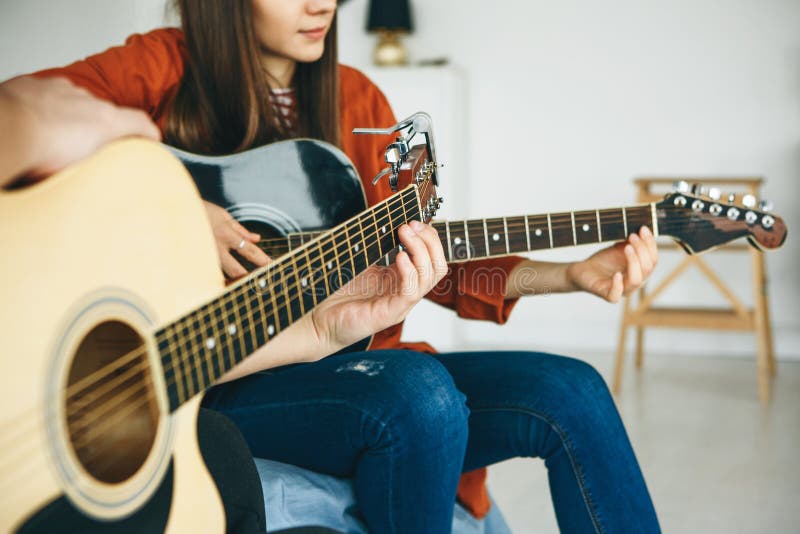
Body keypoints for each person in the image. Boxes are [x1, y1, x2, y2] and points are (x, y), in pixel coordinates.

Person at [32, 0, 662, 531]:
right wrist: (177, 203)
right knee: (418, 394)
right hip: (212, 374)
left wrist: (571, 275)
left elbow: (426, 259)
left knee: (573, 391)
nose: (321, 4)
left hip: (343, 369)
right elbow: (26, 115)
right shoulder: (162, 67)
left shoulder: (358, 99)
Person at [0, 74, 444, 533]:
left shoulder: (352, 92)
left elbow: (158, 363)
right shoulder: (155, 69)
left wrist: (319, 330)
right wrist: (22, 120)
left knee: (221, 454)